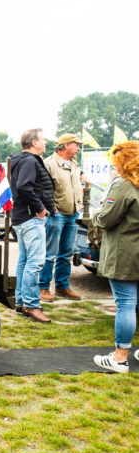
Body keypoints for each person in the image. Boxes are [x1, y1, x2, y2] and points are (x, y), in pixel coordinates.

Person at [92, 141, 139, 373]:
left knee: (126, 304)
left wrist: (96, 215)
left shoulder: (123, 185)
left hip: (126, 253)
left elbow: (107, 219)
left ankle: (120, 358)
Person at [8, 128, 55, 323]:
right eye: (43, 140)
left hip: (21, 217)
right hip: (30, 218)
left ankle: (21, 302)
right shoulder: (28, 160)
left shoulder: (20, 160)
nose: (45, 143)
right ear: (34, 142)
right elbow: (24, 186)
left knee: (25, 261)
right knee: (34, 263)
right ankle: (32, 305)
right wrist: (39, 208)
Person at [39, 134, 83, 302]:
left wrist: (78, 204)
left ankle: (62, 287)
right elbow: (43, 188)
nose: (78, 148)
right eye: (76, 145)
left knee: (66, 253)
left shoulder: (74, 163)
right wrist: (53, 209)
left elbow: (77, 184)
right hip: (56, 215)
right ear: (65, 146)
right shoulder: (49, 164)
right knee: (50, 253)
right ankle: (43, 287)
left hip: (72, 213)